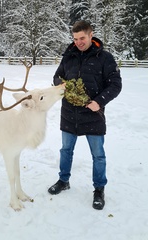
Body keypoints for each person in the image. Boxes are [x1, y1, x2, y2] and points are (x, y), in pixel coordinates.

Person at [48, 20, 122, 210]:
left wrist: (100, 101)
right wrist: (61, 84)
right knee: (66, 150)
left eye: (82, 38)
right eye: (75, 38)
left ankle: (99, 189)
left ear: (91, 35)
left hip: (93, 115)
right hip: (69, 114)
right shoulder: (69, 56)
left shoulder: (105, 58)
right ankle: (63, 180)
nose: (78, 42)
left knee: (98, 155)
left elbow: (115, 84)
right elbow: (57, 77)